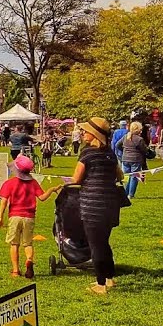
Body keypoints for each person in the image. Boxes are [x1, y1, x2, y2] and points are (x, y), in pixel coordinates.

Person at [69, 117, 125, 296]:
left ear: (94, 134)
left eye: (85, 131)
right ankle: (109, 278)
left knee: (95, 245)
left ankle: (101, 284)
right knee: (104, 242)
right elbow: (120, 176)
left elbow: (76, 179)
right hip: (110, 204)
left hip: (92, 204)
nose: (83, 133)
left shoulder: (87, 153)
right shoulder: (110, 153)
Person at [0, 155, 60, 279]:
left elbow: (4, 201)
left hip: (15, 217)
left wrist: (0, 217)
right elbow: (42, 197)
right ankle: (29, 260)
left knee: (14, 244)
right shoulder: (33, 183)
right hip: (29, 217)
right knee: (28, 243)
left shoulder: (9, 183)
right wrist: (51, 189)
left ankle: (15, 270)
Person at [118, 121, 148, 198]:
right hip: (135, 160)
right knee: (134, 177)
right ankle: (131, 194)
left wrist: (124, 151)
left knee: (127, 177)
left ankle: (125, 193)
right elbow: (144, 151)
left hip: (125, 159)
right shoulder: (139, 139)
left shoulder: (125, 137)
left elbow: (117, 145)